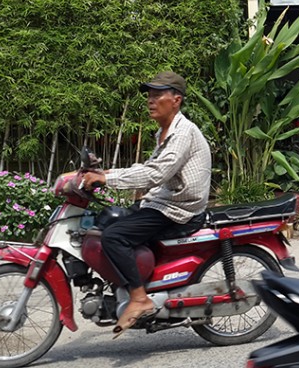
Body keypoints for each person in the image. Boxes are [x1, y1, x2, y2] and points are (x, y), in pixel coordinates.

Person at [76, 71, 211, 336]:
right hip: (164, 202)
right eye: (149, 95)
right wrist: (104, 174)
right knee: (108, 220)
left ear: (176, 100)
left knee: (114, 237)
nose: (150, 101)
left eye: (157, 95)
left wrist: (106, 178)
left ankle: (139, 299)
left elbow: (155, 174)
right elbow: (150, 169)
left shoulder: (183, 133)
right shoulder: (165, 131)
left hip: (179, 210)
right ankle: (132, 287)